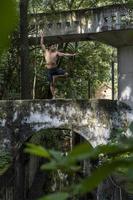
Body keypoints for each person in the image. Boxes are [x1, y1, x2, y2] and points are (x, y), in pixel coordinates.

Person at [40, 31, 76, 98]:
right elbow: (42, 44)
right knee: (51, 84)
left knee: (66, 74)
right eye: (52, 46)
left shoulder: (56, 53)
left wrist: (72, 54)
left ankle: (56, 77)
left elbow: (64, 54)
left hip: (55, 69)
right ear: (49, 47)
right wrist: (42, 36)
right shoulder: (46, 52)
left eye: (54, 46)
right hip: (49, 70)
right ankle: (54, 96)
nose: (54, 47)